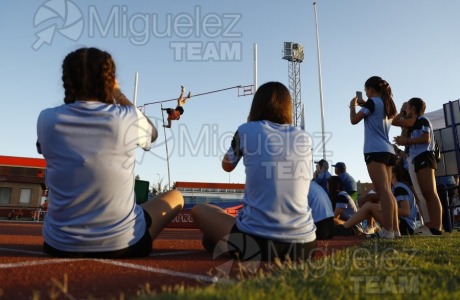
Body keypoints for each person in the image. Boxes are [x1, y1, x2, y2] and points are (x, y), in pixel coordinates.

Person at [36, 47, 184, 258]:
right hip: (124, 243)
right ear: (111, 79)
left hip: (58, 244)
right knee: (176, 196)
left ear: (67, 79)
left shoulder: (47, 119)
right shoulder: (126, 117)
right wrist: (118, 93)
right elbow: (152, 133)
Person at [191, 81, 317, 262]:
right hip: (304, 246)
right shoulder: (304, 137)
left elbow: (226, 165)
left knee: (199, 210)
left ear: (257, 106)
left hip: (257, 243)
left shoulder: (246, 129)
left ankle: (221, 242)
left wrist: (246, 133)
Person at [349, 76, 399, 239]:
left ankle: (388, 230)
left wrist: (352, 106)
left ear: (370, 89)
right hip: (388, 150)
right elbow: (375, 113)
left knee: (383, 191)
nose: (366, 93)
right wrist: (365, 105)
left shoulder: (372, 103)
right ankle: (395, 229)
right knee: (388, 192)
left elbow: (354, 120)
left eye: (366, 90)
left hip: (374, 150)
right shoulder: (386, 104)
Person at [393, 97, 443, 235]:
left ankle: (436, 227)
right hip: (417, 159)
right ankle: (429, 226)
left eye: (407, 107)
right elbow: (395, 122)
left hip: (425, 157)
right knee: (424, 194)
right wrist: (403, 113)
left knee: (430, 193)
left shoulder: (422, 120)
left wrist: (406, 140)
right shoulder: (414, 122)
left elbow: (425, 138)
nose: (405, 109)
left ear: (413, 108)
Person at [335, 164, 418, 236]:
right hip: (404, 225)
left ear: (393, 175)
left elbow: (406, 211)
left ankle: (345, 227)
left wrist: (385, 208)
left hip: (405, 226)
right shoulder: (400, 186)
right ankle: (364, 226)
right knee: (368, 200)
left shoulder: (400, 188)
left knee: (368, 206)